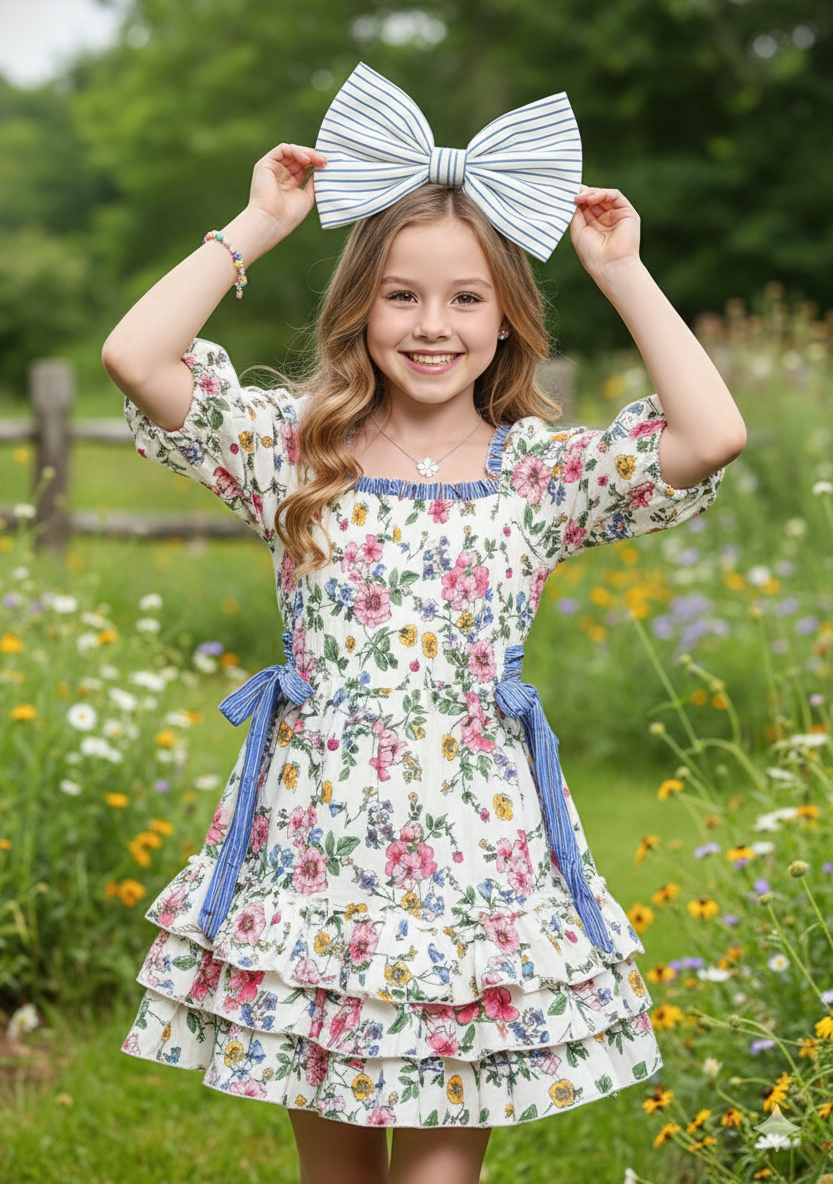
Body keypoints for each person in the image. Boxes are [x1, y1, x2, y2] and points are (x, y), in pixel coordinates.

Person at [102, 63, 745, 1184]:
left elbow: (711, 434)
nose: (432, 325)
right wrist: (253, 226)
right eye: (402, 295)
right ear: (363, 308)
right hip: (318, 859)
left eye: (464, 299)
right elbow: (137, 357)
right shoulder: (297, 450)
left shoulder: (539, 474)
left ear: (507, 320)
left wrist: (625, 273)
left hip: (477, 865)